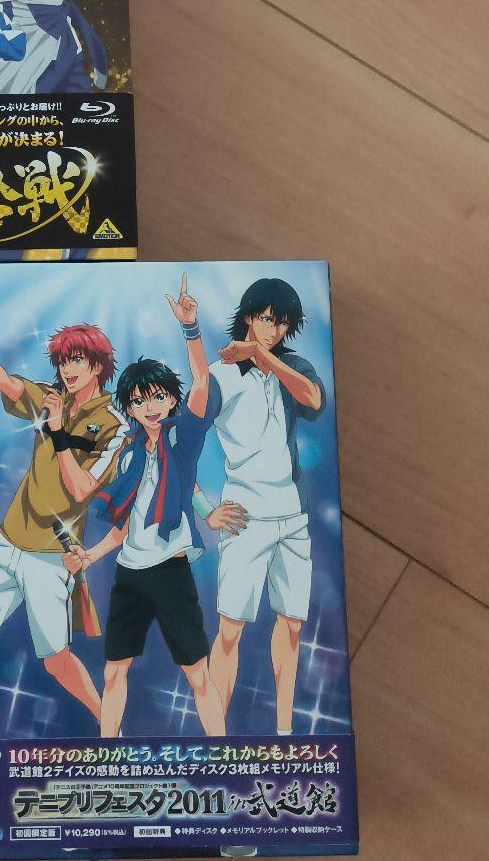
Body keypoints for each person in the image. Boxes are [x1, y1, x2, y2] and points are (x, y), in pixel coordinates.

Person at [65, 276, 247, 737]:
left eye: (159, 397)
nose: (150, 407)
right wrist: (90, 556)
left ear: (171, 400)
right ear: (130, 407)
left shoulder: (182, 439)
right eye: (139, 401)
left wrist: (190, 328)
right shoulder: (128, 454)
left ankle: (221, 755)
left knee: (197, 675)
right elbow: (124, 526)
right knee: (113, 673)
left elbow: (202, 381)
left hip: (171, 572)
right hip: (130, 575)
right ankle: (106, 757)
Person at [0, 318, 124, 739]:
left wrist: (57, 431)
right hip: (9, 540)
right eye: (63, 362)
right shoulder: (50, 398)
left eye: (76, 360)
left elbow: (81, 488)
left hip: (51, 555)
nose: (67, 370)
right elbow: (5, 382)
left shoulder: (114, 425)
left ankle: (110, 726)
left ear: (98, 365)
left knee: (56, 662)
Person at [203, 278, 326, 735]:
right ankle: (215, 738)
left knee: (292, 626)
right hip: (244, 518)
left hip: (293, 516)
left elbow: (314, 400)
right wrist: (204, 507)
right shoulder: (221, 374)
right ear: (249, 316)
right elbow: (180, 442)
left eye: (283, 323)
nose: (274, 329)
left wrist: (262, 354)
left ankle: (284, 732)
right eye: (267, 319)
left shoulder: (292, 366)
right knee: (230, 629)